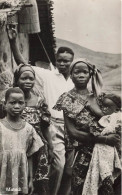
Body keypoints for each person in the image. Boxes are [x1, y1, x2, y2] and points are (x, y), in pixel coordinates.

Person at [8, 26, 75, 195]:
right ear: (56, 59)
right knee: (57, 165)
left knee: (70, 170)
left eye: (66, 61)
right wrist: (13, 41)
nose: (62, 63)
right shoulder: (48, 75)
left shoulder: (75, 81)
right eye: (59, 60)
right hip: (54, 125)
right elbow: (22, 63)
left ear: (71, 61)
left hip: (72, 128)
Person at [53, 58, 120, 195]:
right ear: (71, 75)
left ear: (90, 74)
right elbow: (72, 131)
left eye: (85, 72)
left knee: (106, 188)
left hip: (106, 151)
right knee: (81, 187)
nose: (81, 75)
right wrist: (104, 139)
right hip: (83, 152)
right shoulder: (67, 99)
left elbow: (113, 118)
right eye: (77, 72)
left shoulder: (99, 97)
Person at [13, 64, 53, 195]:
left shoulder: (40, 101)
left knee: (39, 184)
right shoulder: (7, 100)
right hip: (16, 147)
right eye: (24, 78)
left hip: (39, 148)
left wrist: (50, 147)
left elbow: (45, 126)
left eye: (31, 78)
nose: (28, 82)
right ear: (16, 79)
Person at [0, 87, 43, 195]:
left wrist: (30, 180)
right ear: (5, 104)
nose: (17, 106)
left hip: (20, 178)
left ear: (25, 104)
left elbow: (29, 155)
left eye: (20, 103)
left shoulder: (28, 129)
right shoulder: (0, 127)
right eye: (12, 103)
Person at [82, 93, 121, 195]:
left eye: (108, 107)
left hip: (112, 152)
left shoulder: (114, 118)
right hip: (106, 151)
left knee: (110, 179)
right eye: (103, 106)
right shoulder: (108, 117)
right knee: (107, 179)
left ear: (116, 109)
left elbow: (95, 131)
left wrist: (90, 107)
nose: (104, 109)